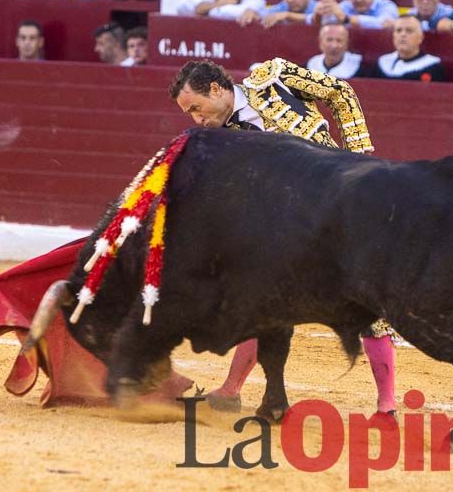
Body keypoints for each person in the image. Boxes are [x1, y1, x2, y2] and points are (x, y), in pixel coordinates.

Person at [167, 58, 389, 416]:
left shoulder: (273, 78)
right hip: (290, 228)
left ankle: (387, 404)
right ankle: (230, 390)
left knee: (368, 300)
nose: (196, 119)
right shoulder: (219, 143)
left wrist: (358, 158)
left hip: (341, 206)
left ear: (216, 90)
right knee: (261, 302)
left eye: (196, 107)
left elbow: (340, 93)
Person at [376, 13, 445, 80]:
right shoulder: (382, 64)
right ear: (393, 36)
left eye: (409, 31)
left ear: (420, 37)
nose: (403, 35)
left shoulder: (433, 67)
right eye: (398, 30)